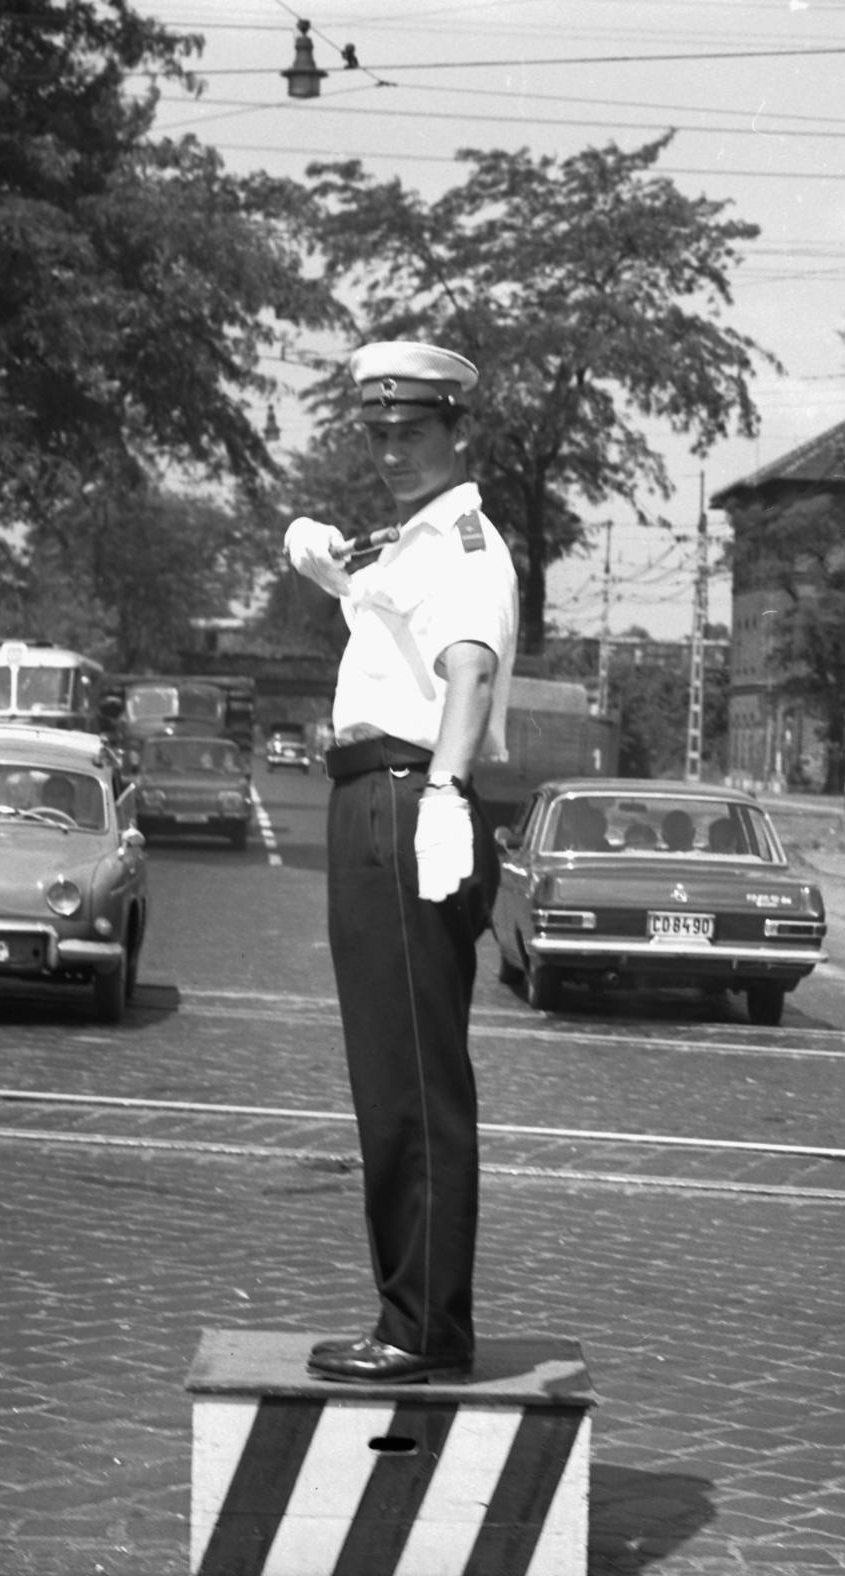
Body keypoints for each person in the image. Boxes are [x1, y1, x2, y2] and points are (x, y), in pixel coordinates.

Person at [284, 340, 519, 1384]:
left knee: (411, 1080)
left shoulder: (462, 543)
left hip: (407, 802)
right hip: (374, 797)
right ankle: (416, 1316)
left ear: (456, 433)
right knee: (390, 1075)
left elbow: (468, 673)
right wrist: (328, 564)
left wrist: (445, 792)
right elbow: (388, 617)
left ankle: (422, 1329)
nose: (391, 452)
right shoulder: (413, 543)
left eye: (412, 432)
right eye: (377, 434)